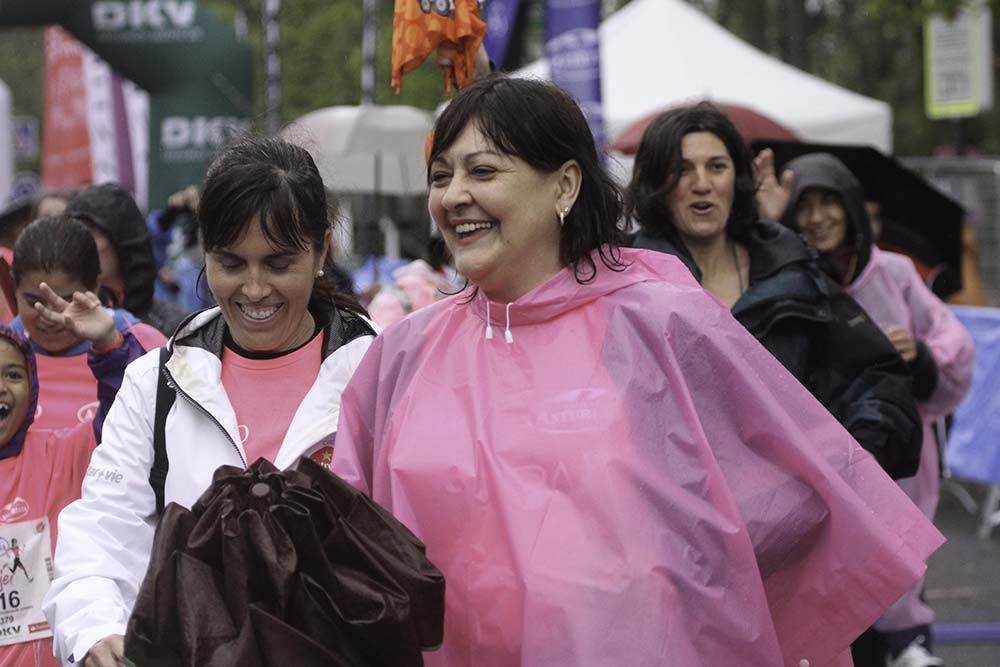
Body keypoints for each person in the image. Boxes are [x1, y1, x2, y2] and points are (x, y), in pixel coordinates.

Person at [332, 76, 943, 666]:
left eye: (483, 170)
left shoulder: (659, 321)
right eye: (442, 176)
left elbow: (787, 487)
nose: (454, 195)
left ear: (565, 186)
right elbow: (353, 533)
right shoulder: (404, 352)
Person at [44, 134, 377, 667]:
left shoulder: (382, 379)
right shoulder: (155, 384)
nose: (254, 288)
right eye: (231, 263)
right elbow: (101, 531)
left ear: (320, 251)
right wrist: (96, 628)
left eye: (278, 263)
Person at [627, 102, 922, 480]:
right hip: (674, 516)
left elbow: (877, 375)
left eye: (717, 167)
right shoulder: (625, 281)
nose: (702, 183)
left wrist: (866, 450)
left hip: (791, 513)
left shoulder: (790, 268)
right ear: (655, 184)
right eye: (682, 169)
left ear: (738, 178)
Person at [776, 152, 975, 667]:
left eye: (829, 203)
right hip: (821, 467)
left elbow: (953, 345)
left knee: (899, 572)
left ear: (850, 207)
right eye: (805, 206)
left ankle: (909, 646)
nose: (818, 217)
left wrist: (920, 355)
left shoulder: (894, 274)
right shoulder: (788, 281)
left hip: (897, 465)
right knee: (837, 590)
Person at [0, 285, 145, 667]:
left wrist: (108, 343)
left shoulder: (62, 454)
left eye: (13, 374)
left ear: (33, 388)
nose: (0, 388)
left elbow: (130, 410)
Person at [9, 216, 166, 432]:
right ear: (14, 287)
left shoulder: (147, 346)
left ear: (95, 286)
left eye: (68, 300)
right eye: (34, 301)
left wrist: (109, 345)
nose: (51, 315)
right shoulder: (5, 348)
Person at [66, 183, 191, 337]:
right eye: (73, 235)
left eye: (89, 234)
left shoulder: (176, 327)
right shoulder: (62, 322)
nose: (79, 245)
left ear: (120, 240)